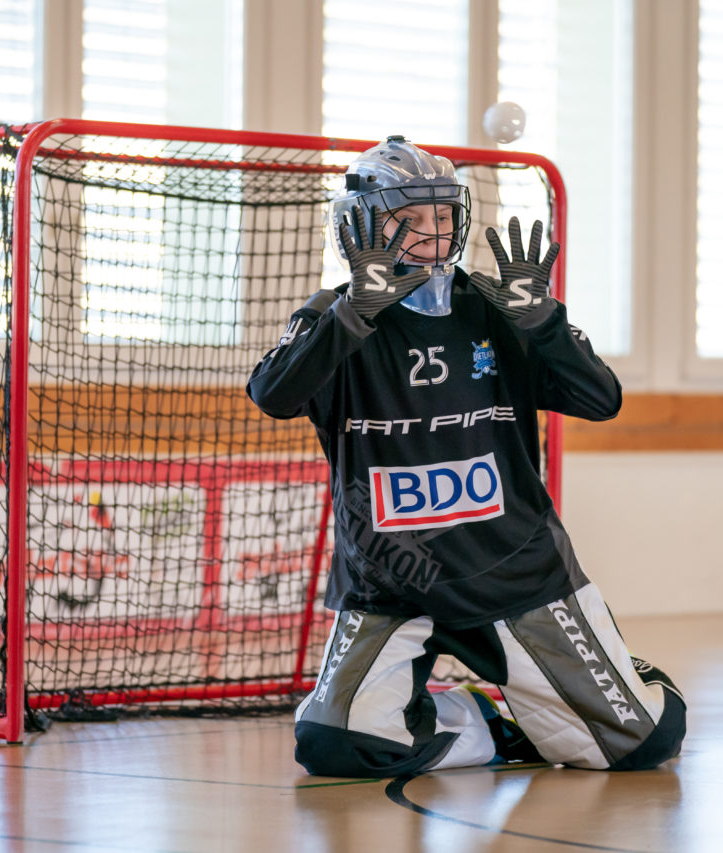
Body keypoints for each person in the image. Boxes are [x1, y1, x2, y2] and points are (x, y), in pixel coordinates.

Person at [246, 135, 686, 777]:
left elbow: (602, 400)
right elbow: (274, 395)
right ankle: (492, 722)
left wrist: (545, 325)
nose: (433, 233)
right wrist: (353, 312)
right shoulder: (333, 320)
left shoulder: (501, 308)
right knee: (336, 747)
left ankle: (624, 674)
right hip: (391, 581)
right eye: (410, 219)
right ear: (360, 227)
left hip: (513, 575)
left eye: (444, 216)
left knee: (639, 743)